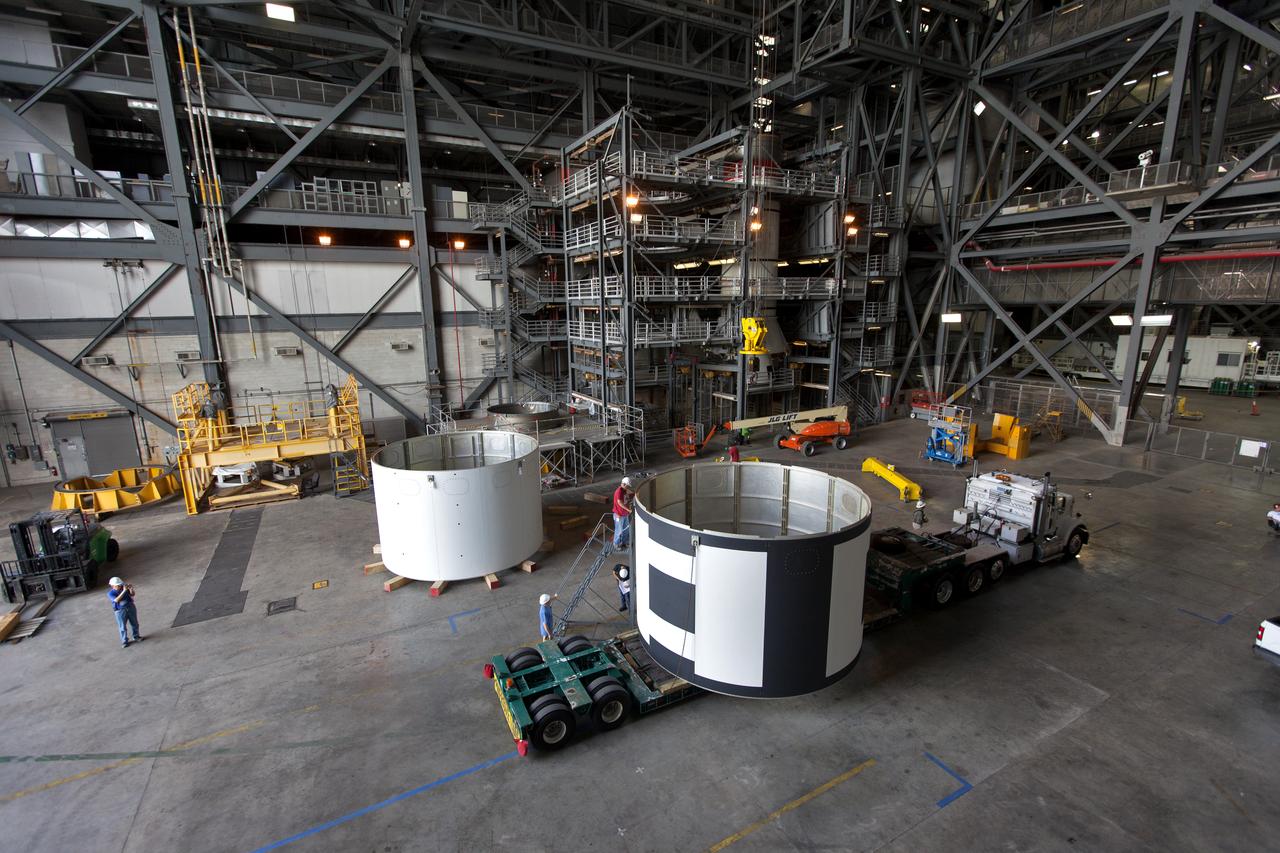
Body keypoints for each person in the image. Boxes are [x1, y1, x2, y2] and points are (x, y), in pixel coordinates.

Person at [107, 577, 144, 648]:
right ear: (112, 586)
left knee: (135, 623)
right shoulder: (110, 593)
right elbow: (116, 600)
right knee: (122, 627)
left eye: (120, 585)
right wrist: (124, 591)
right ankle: (124, 641)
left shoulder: (123, 588)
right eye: (117, 585)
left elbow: (132, 595)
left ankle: (136, 636)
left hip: (130, 607)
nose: (119, 586)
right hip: (120, 611)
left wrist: (131, 589)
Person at [613, 476, 635, 550]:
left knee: (625, 529)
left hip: (625, 514)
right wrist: (628, 510)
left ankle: (624, 542)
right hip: (619, 515)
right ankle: (616, 544)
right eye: (628, 486)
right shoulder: (619, 491)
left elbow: (627, 498)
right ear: (624, 484)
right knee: (619, 530)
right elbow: (620, 502)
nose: (628, 487)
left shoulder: (624, 490)